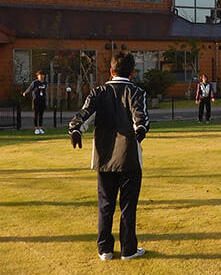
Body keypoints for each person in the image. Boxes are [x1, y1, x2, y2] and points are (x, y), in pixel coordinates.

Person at [68, 51, 149, 261]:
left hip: (104, 159)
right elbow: (139, 116)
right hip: (129, 157)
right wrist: (140, 128)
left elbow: (84, 114)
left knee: (105, 205)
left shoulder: (98, 92)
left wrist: (76, 129)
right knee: (128, 206)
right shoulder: (136, 92)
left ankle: (105, 249)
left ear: (111, 71)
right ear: (132, 72)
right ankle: (128, 249)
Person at [22, 70, 48, 134]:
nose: (41, 76)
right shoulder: (35, 83)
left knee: (41, 114)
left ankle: (40, 127)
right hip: (36, 100)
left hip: (42, 99)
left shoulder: (45, 83)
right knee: (36, 114)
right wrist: (25, 92)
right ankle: (36, 128)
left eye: (42, 75)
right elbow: (30, 88)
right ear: (37, 76)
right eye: (40, 75)